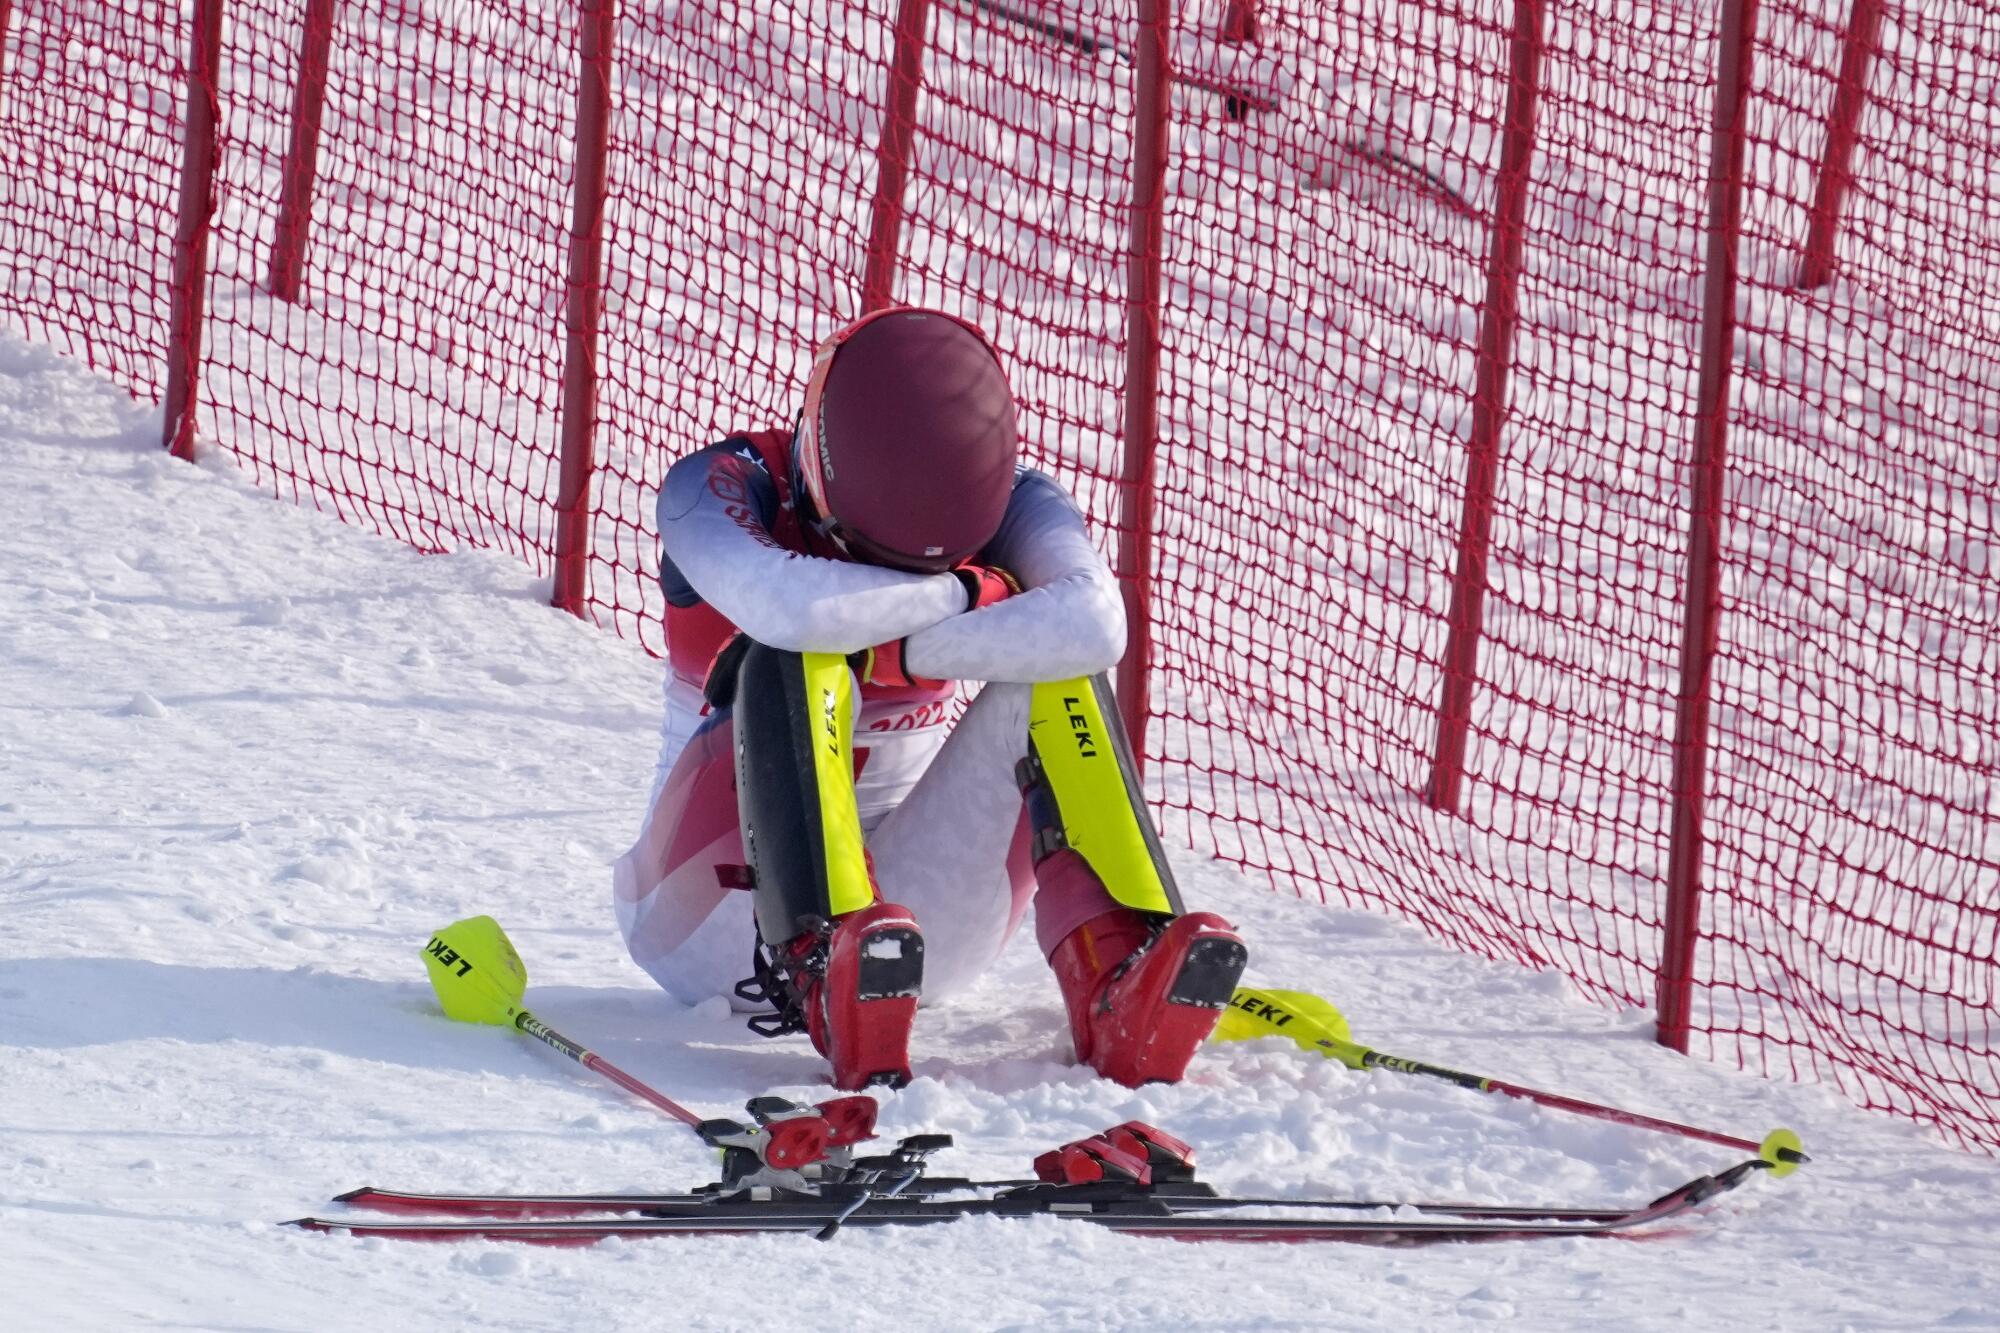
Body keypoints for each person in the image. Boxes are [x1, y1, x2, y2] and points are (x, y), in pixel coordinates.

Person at [613, 306, 1248, 1090]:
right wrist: (971, 594)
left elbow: (1094, 622)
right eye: (866, 556)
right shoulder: (716, 484)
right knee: (796, 654)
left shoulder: (1022, 498)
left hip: (910, 944)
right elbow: (797, 610)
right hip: (710, 921)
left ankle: (1117, 970)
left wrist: (896, 633)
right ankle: (821, 957)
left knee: (1058, 669)